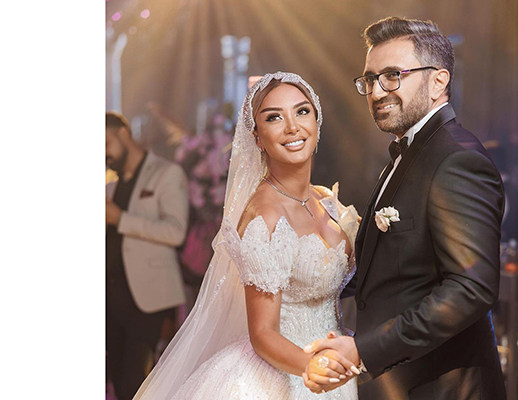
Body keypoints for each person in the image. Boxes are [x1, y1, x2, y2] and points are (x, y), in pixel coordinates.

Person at [303, 17, 507, 399]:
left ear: (439, 81)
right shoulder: (410, 152)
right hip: (399, 384)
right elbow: (396, 273)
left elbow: (471, 289)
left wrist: (364, 350)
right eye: (370, 79)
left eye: (393, 76)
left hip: (442, 388)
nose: (377, 91)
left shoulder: (456, 159)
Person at [133, 72, 360, 400]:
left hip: (336, 363)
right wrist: (312, 366)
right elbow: (263, 332)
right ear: (257, 137)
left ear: (317, 120)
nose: (292, 127)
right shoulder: (263, 217)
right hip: (290, 373)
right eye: (274, 117)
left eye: (302, 111)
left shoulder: (325, 199)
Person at [106, 111, 189, 400]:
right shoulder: (109, 184)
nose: (103, 154)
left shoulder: (167, 173)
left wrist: (120, 218)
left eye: (105, 143)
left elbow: (176, 232)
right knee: (117, 380)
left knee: (138, 382)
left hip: (148, 298)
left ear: (123, 133)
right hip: (110, 297)